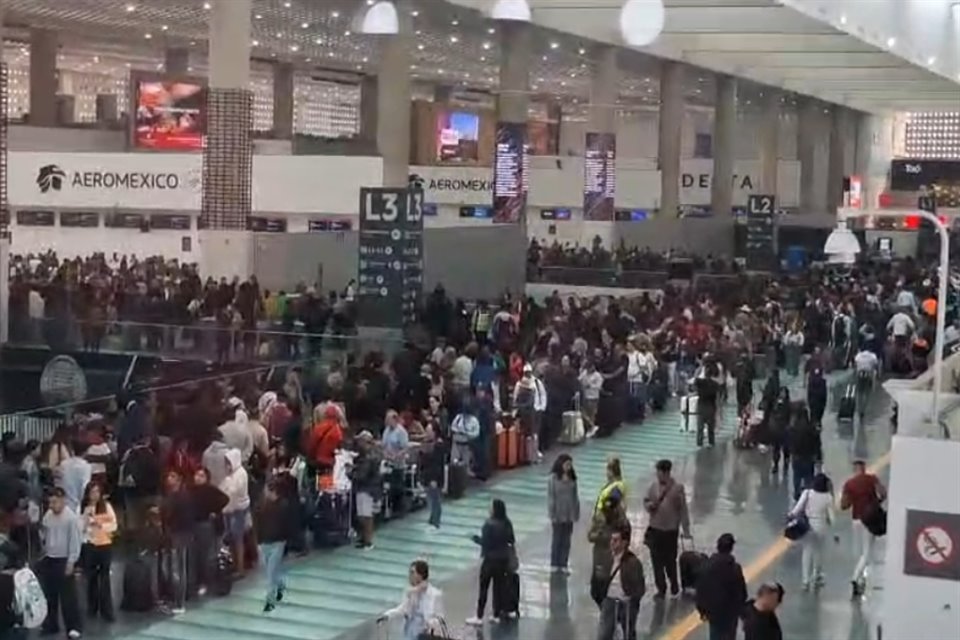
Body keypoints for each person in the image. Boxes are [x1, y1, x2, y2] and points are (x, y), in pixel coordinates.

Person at [643, 459, 691, 599]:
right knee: (656, 561)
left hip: (670, 531)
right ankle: (661, 588)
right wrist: (649, 506)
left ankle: (674, 585)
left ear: (666, 472)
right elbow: (646, 501)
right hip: (655, 529)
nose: (657, 475)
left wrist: (685, 528)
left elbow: (683, 509)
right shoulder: (652, 487)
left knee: (670, 560)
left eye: (659, 472)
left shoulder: (677, 488)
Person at [39, 487, 83, 639]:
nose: (52, 505)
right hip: (50, 558)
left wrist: (71, 561)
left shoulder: (71, 518)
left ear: (63, 500)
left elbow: (75, 542)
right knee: (50, 595)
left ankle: (73, 626)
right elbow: (44, 535)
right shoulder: (48, 515)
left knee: (68, 597)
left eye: (55, 502)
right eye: (50, 502)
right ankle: (51, 624)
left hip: (64, 559)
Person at [466, 499, 515, 626]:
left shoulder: (488, 525)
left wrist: (475, 538)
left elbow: (486, 543)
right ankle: (496, 614)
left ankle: (479, 616)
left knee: (484, 587)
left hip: (490, 560)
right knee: (498, 587)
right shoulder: (507, 523)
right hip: (503, 560)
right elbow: (511, 539)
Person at [841, 460, 886, 597]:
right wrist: (876, 503)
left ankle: (860, 578)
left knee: (859, 550)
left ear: (854, 469)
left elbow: (844, 505)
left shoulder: (849, 484)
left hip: (856, 520)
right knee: (867, 553)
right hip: (870, 519)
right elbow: (883, 494)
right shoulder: (872, 479)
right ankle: (856, 578)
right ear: (864, 468)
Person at [596, 524, 645, 640]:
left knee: (628, 633)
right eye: (611, 540)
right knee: (604, 634)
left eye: (616, 540)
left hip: (626, 603)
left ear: (624, 543)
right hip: (610, 601)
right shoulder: (606, 558)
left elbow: (640, 587)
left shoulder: (633, 563)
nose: (612, 543)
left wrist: (631, 598)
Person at [695, 533, 747, 640]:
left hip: (713, 613)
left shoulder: (705, 566)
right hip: (730, 614)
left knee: (715, 635)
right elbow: (742, 593)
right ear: (731, 548)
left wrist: (702, 610)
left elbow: (700, 590)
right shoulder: (735, 569)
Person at [790, 473, 835, 590]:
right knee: (818, 553)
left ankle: (805, 580)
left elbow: (797, 509)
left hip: (808, 525)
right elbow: (832, 518)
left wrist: (791, 516)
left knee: (807, 552)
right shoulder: (828, 497)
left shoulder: (807, 493)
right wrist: (833, 530)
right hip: (821, 525)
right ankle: (816, 576)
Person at [381, 560, 446, 640]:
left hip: (425, 632)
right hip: (410, 630)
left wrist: (430, 623)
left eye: (412, 572)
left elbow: (440, 618)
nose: (410, 576)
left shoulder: (435, 594)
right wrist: (388, 614)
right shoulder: (411, 592)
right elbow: (403, 608)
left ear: (420, 575)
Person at [255, 480, 294, 612]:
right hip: (265, 542)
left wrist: (286, 541)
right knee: (271, 571)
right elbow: (258, 525)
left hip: (278, 542)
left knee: (271, 573)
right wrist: (259, 541)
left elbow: (288, 525)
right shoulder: (262, 506)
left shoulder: (283, 506)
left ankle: (269, 601)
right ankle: (281, 585)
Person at [80, 482, 117, 623]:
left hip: (104, 545)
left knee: (105, 578)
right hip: (90, 545)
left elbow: (114, 525)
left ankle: (107, 611)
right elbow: (80, 528)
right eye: (92, 492)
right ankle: (92, 608)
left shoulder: (106, 507)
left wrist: (101, 524)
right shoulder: (84, 508)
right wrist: (85, 517)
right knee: (91, 579)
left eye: (97, 492)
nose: (94, 495)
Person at [188, 467, 228, 597]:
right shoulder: (190, 490)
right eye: (196, 475)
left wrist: (214, 511)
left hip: (205, 525)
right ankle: (196, 581)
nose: (198, 478)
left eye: (201, 475)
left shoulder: (210, 490)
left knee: (205, 555)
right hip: (192, 525)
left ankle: (205, 582)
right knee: (195, 554)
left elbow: (225, 499)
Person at [160, 470, 193, 614]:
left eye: (172, 476)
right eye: (168, 475)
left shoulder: (181, 497)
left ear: (179, 480)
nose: (169, 478)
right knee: (173, 567)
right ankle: (174, 599)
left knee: (178, 568)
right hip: (174, 533)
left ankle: (180, 603)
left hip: (179, 534)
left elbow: (172, 515)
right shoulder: (172, 496)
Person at [220, 449, 251, 576]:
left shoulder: (241, 474)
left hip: (238, 510)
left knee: (238, 539)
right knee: (232, 538)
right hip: (229, 509)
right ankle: (234, 564)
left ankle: (240, 568)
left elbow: (234, 491)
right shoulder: (232, 474)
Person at [547, 454, 580, 572]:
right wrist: (552, 513)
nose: (569, 467)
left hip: (569, 514)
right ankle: (555, 563)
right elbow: (551, 497)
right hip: (558, 513)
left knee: (566, 540)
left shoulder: (572, 479)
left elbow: (575, 496)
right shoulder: (553, 479)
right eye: (567, 464)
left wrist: (576, 512)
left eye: (570, 465)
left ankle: (563, 563)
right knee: (557, 539)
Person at [353, 431, 382, 550]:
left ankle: (368, 541)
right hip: (362, 488)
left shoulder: (370, 456)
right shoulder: (363, 455)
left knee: (367, 516)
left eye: (361, 441)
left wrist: (351, 473)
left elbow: (363, 475)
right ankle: (364, 538)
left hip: (368, 489)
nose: (358, 443)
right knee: (361, 515)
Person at [787, 404, 822, 500]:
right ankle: (807, 496)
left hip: (797, 457)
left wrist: (792, 452)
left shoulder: (794, 428)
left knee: (797, 477)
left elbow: (789, 441)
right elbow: (817, 443)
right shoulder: (811, 428)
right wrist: (818, 457)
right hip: (809, 457)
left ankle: (797, 493)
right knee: (808, 477)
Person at [419, 424, 446, 531]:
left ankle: (436, 522)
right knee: (430, 499)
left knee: (435, 500)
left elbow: (438, 463)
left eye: (429, 431)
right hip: (426, 474)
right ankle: (431, 520)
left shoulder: (438, 445)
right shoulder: (426, 444)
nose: (427, 433)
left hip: (435, 476)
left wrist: (434, 479)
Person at [58, 441, 92, 515]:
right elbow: (85, 487)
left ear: (72, 451)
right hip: (78, 505)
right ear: (85, 452)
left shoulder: (63, 464)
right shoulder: (86, 466)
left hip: (64, 503)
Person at [694, 362, 722, 448]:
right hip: (711, 406)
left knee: (700, 426)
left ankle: (699, 442)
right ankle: (711, 442)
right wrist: (718, 410)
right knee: (710, 427)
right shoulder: (715, 384)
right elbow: (718, 398)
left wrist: (700, 368)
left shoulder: (699, 382)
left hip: (701, 405)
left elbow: (695, 378)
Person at [768, 387, 792, 475]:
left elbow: (790, 416)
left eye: (784, 393)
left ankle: (786, 463)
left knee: (786, 449)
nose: (782, 395)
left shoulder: (788, 405)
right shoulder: (776, 403)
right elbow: (772, 413)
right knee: (776, 448)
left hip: (785, 429)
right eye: (781, 392)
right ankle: (776, 465)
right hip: (777, 430)